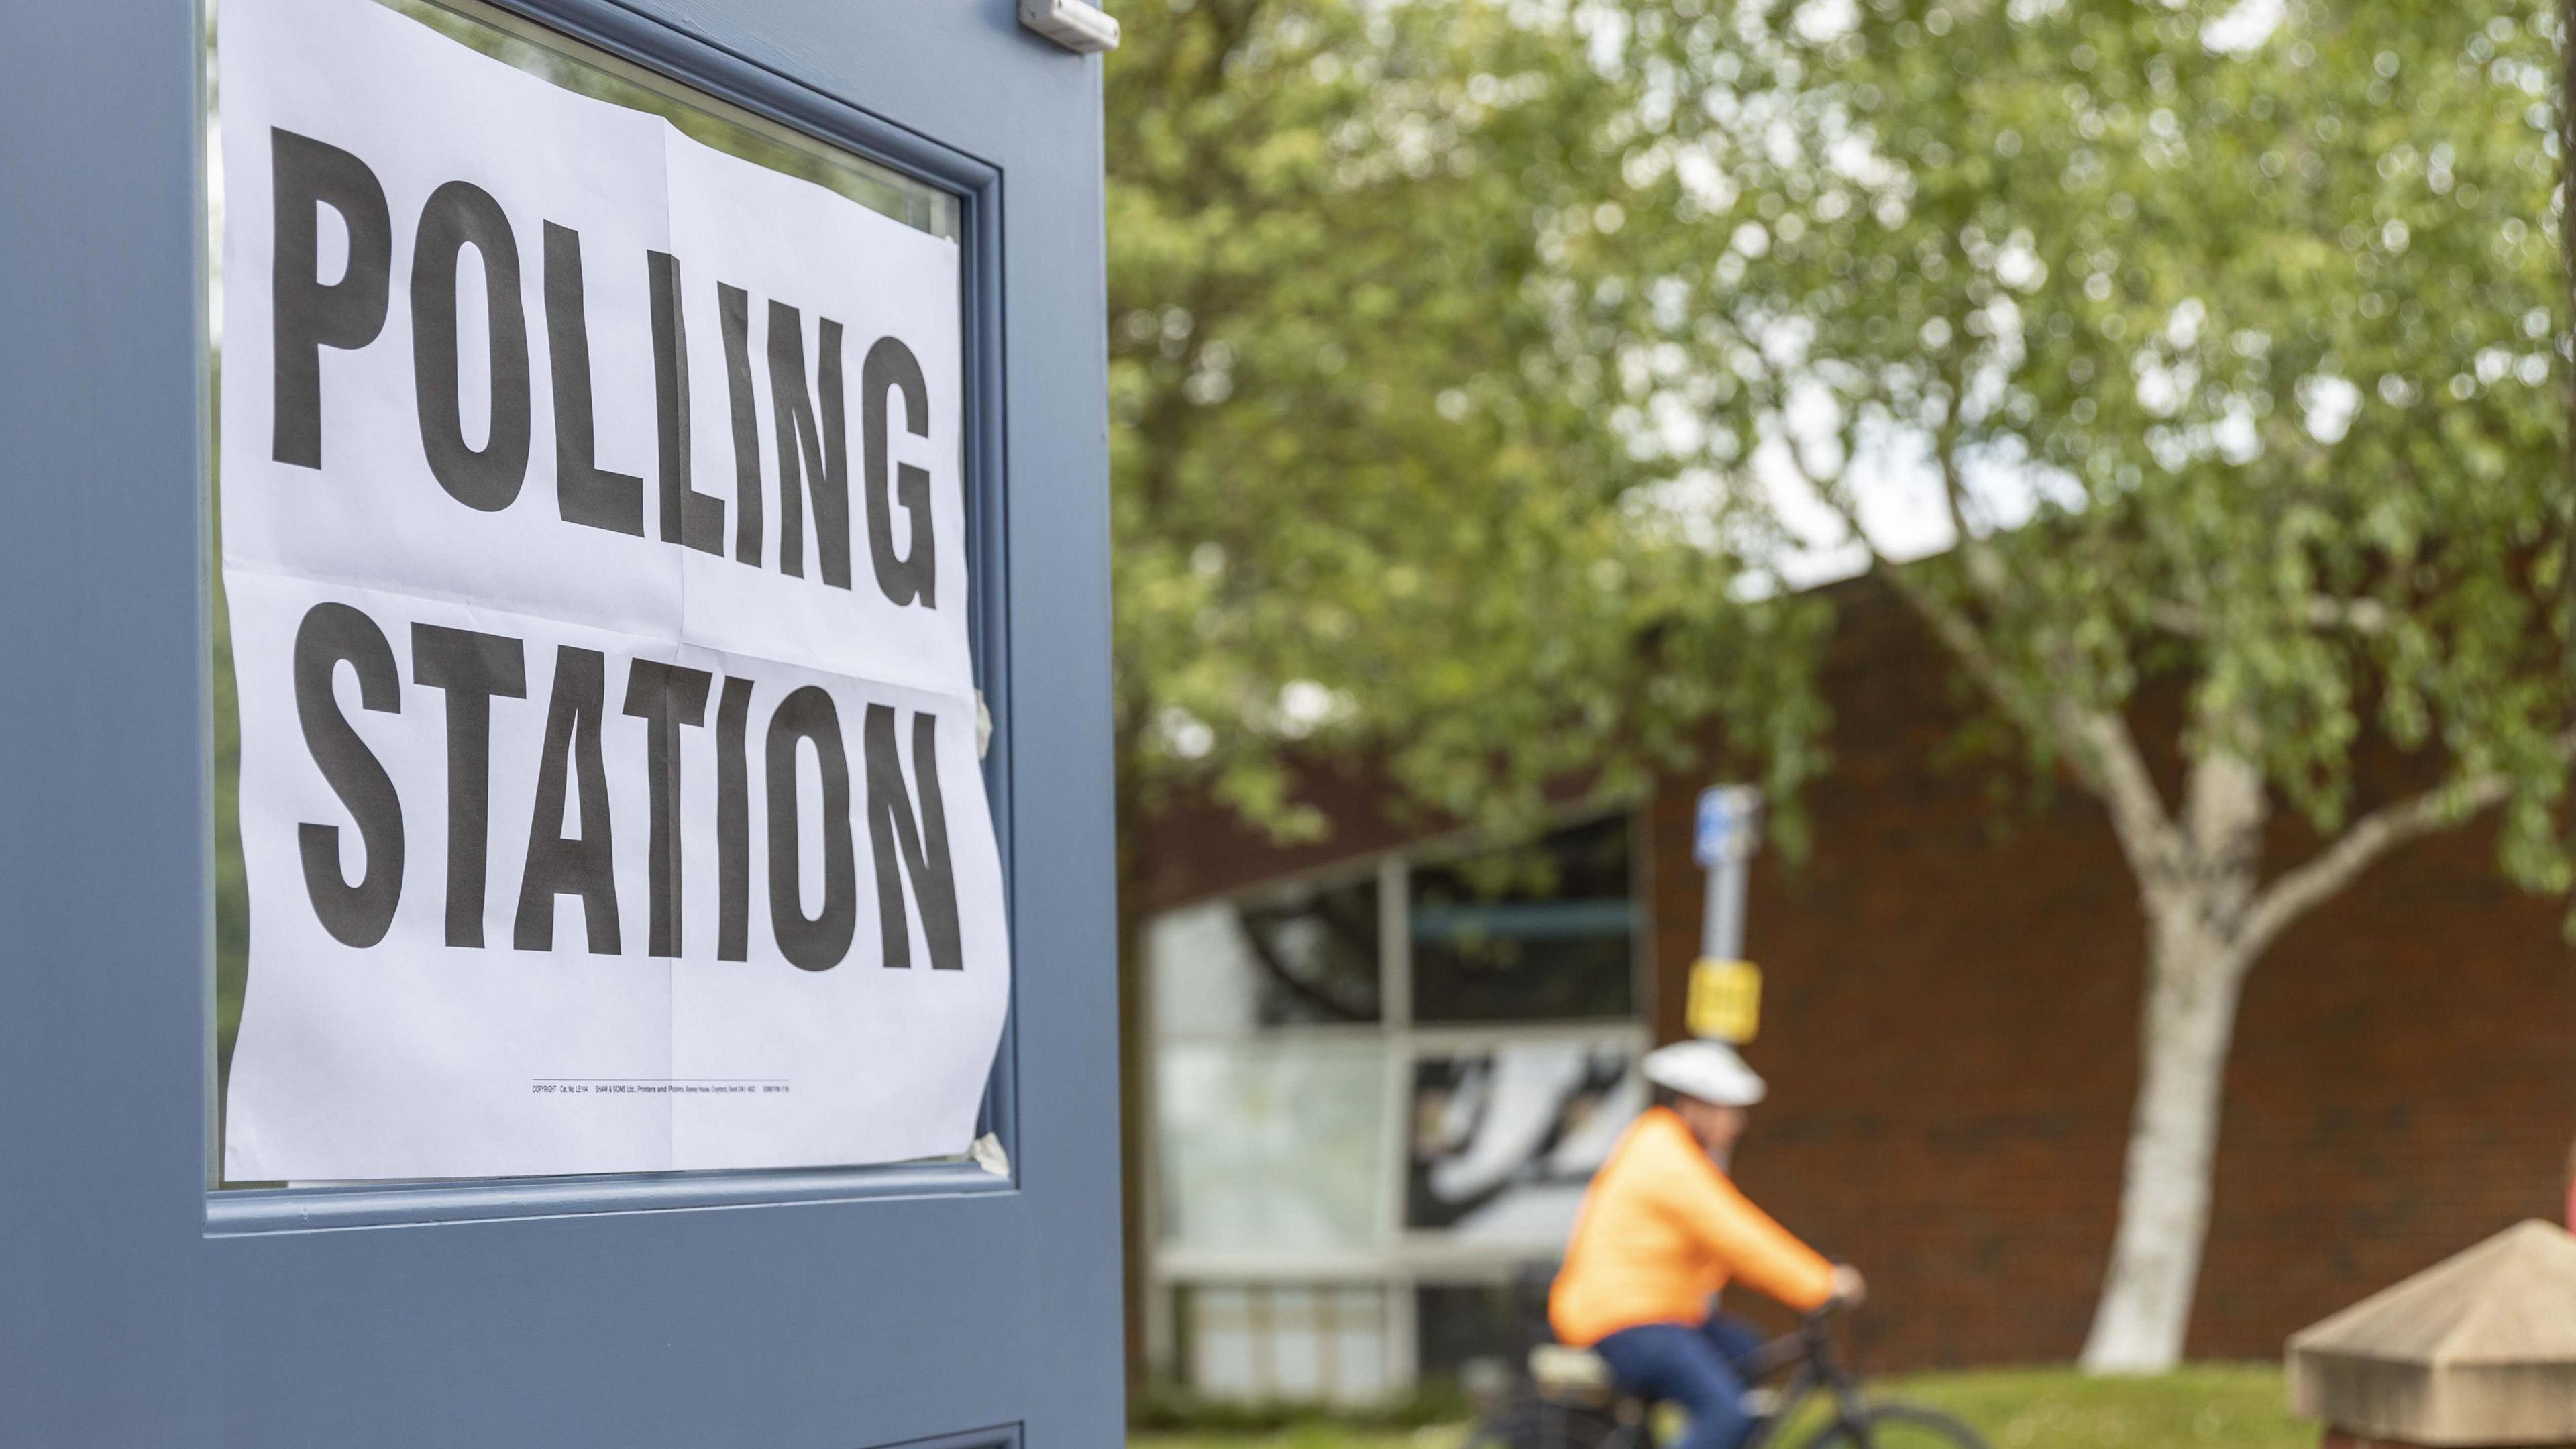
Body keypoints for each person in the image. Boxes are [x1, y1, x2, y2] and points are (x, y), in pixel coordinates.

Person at [1548, 1040, 1864, 1449]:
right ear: (1693, 1106)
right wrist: (1820, 1283)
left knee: (1746, 1350)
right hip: (1623, 1319)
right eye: (1729, 1109)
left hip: (1657, 1311)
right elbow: (1736, 1235)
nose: (1739, 1122)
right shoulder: (1667, 1157)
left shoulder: (1672, 1148)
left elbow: (1722, 1247)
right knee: (1725, 1413)